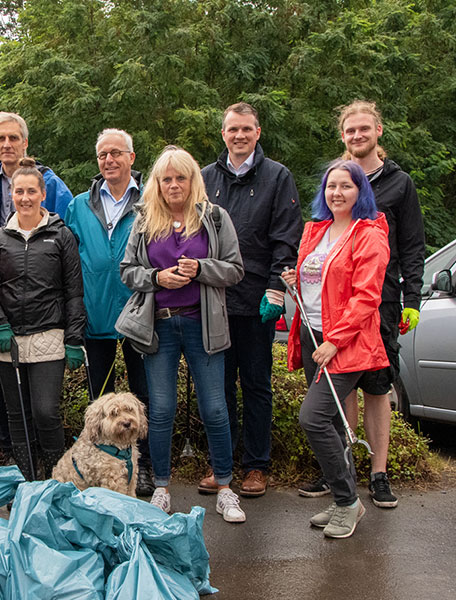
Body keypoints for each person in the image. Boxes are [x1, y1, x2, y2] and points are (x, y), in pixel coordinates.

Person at [299, 101, 425, 508]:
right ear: (343, 136)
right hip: (338, 308)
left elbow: (411, 246)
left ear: (378, 131)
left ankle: (379, 473)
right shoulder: (335, 184)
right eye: (350, 131)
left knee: (376, 388)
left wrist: (412, 299)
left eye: (364, 129)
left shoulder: (399, 183)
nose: (357, 136)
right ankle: (343, 468)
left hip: (380, 302)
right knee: (343, 389)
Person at [121, 146, 246, 523]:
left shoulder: (215, 218)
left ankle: (225, 488)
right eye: (166, 179)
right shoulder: (144, 220)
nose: (174, 185)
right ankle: (161, 487)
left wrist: (202, 268)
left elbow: (235, 270)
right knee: (160, 410)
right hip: (159, 323)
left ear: (193, 181)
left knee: (215, 408)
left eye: (181, 178)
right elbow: (127, 272)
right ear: (157, 184)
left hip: (202, 324)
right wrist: (157, 278)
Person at [283, 159, 390, 538]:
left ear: (360, 191)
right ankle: (343, 495)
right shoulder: (316, 230)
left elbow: (366, 297)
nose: (337, 193)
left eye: (346, 186)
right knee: (329, 423)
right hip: (314, 337)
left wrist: (334, 340)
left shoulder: (369, 234)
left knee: (312, 418)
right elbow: (317, 281)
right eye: (331, 186)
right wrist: (293, 279)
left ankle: (348, 502)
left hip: (346, 343)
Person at [200, 102, 303, 497]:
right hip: (213, 301)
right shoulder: (206, 178)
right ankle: (221, 463)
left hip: (258, 298)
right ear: (223, 133)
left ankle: (256, 466)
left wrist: (276, 288)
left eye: (246, 129)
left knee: (257, 385)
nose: (239, 136)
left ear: (257, 132)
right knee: (217, 387)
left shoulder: (278, 177)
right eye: (232, 129)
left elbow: (286, 238)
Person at [0, 112, 73, 465]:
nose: (7, 145)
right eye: (0, 139)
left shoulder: (51, 184)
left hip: (45, 306)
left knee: (44, 407)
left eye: (13, 138)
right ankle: (17, 461)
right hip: (0, 304)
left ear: (25, 142)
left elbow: (65, 241)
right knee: (5, 394)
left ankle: (53, 469)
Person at [0, 157, 85, 481]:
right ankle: (27, 481)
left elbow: (74, 291)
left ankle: (55, 481)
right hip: (8, 338)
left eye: (31, 191)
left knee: (45, 412)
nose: (24, 197)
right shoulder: (0, 238)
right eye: (19, 191)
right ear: (12, 196)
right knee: (17, 415)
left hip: (49, 336)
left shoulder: (61, 236)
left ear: (42, 195)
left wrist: (75, 337)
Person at [64, 128, 153, 496]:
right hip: (95, 314)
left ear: (132, 158)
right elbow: (68, 262)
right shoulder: (78, 205)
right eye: (103, 155)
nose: (109, 160)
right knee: (98, 401)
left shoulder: (151, 200)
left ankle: (142, 466)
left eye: (116, 153)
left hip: (138, 315)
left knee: (142, 396)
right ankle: (97, 467)